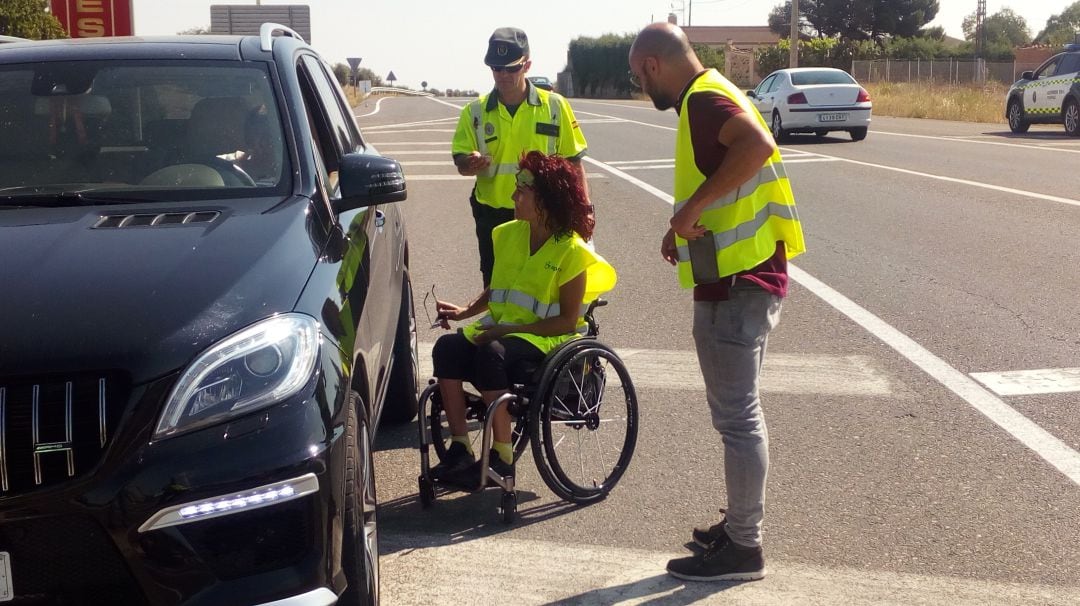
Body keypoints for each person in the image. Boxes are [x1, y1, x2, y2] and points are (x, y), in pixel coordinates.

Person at [628, 23, 806, 582]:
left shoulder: (703, 100)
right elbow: (721, 171)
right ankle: (738, 529)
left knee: (738, 417)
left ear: (653, 64)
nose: (641, 87)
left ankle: (744, 547)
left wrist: (690, 210)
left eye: (638, 76)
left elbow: (757, 146)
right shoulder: (714, 90)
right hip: (743, 276)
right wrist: (681, 226)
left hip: (737, 281)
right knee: (738, 414)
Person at [429, 151, 616, 487]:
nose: (513, 196)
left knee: (491, 355)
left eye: (521, 191)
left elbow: (566, 320)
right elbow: (497, 286)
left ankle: (501, 457)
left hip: (549, 338)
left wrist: (510, 329)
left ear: (545, 199)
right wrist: (464, 312)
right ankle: (460, 449)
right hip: (507, 331)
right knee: (447, 348)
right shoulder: (507, 234)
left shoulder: (571, 251)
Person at [452, 27, 590, 288]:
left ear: (527, 65)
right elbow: (460, 160)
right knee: (496, 285)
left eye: (511, 68)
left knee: (546, 285)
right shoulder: (475, 112)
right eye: (496, 68)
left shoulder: (555, 106)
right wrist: (469, 163)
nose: (502, 75)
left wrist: (585, 209)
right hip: (494, 216)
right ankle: (498, 330)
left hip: (545, 215)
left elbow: (574, 162)